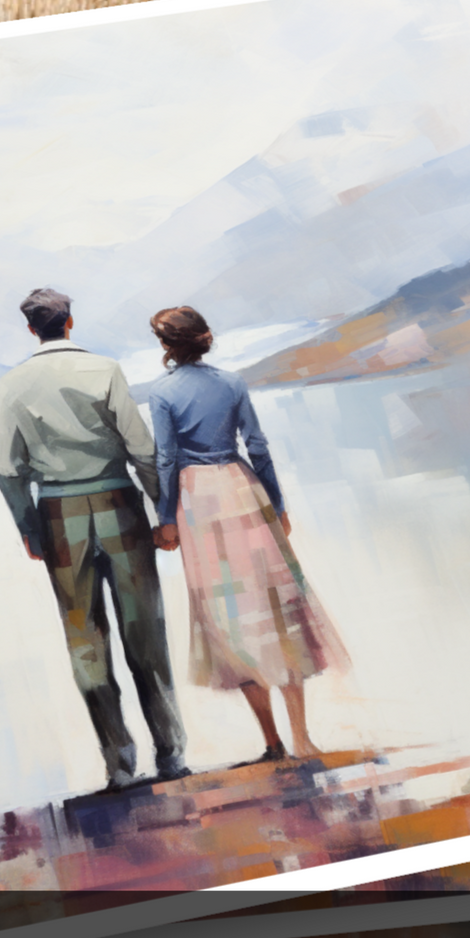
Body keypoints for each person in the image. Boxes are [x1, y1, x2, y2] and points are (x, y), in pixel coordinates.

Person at [0, 287, 188, 791]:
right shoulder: (105, 370)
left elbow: (7, 470)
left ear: (32, 329)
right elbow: (142, 449)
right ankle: (169, 756)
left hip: (58, 515)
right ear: (70, 322)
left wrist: (28, 528)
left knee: (85, 642)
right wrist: (163, 512)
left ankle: (119, 764)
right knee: (145, 633)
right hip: (120, 507)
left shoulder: (11, 385)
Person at [143, 306, 346, 764]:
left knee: (230, 617)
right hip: (242, 490)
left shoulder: (162, 393)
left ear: (167, 345)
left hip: (199, 504)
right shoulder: (231, 383)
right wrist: (277, 503)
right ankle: (303, 738)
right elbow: (257, 445)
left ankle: (272, 742)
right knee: (277, 611)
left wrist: (165, 517)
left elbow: (167, 461)